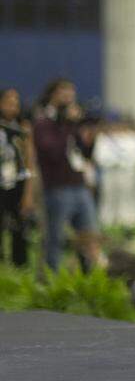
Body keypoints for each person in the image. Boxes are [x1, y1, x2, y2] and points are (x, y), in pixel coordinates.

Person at [32, 79, 102, 271]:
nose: (70, 96)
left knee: (89, 237)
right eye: (64, 91)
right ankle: (49, 284)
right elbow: (51, 152)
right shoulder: (43, 122)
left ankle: (89, 280)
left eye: (72, 91)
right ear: (52, 94)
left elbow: (83, 154)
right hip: (57, 187)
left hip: (79, 184)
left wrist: (89, 140)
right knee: (55, 240)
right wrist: (67, 125)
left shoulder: (72, 123)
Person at [0, 88, 35, 266]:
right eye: (8, 103)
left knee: (20, 232)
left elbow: (29, 163)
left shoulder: (22, 129)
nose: (13, 108)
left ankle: (19, 271)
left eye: (16, 104)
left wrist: (28, 194)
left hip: (16, 185)